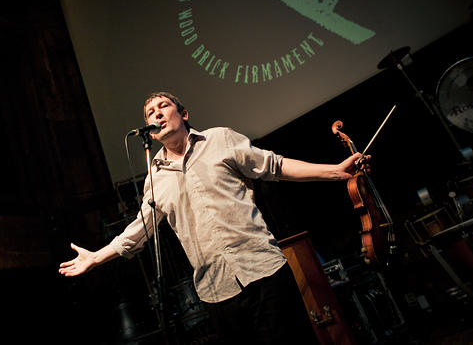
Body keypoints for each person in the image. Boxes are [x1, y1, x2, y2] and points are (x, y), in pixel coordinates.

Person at [59, 91, 363, 344]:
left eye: (163, 106)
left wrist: (334, 171)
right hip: (217, 291)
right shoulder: (155, 176)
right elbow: (139, 231)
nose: (157, 114)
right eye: (150, 112)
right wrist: (96, 258)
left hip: (264, 273)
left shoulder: (220, 140)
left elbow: (275, 166)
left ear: (184, 114)